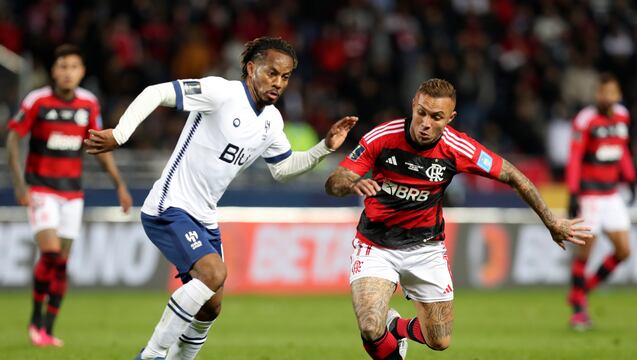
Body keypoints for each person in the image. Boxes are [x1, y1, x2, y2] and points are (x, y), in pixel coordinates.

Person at [84, 36, 357, 360]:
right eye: (272, 73)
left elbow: (282, 169)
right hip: (170, 206)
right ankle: (151, 356)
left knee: (211, 307)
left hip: (204, 215)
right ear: (252, 68)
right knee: (213, 274)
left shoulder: (271, 121)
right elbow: (155, 92)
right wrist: (119, 134)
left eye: (285, 77)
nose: (278, 83)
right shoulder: (221, 93)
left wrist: (323, 147)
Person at [325, 78, 593, 359]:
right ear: (414, 105)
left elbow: (514, 176)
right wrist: (351, 182)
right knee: (370, 325)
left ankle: (395, 326)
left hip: (426, 248)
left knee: (439, 340)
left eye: (436, 117)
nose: (426, 123)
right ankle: (384, 332)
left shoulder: (458, 148)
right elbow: (335, 182)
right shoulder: (382, 137)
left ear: (450, 118)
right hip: (376, 245)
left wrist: (551, 221)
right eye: (422, 113)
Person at [6, 44, 132, 347]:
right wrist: (20, 184)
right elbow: (12, 139)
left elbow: (98, 148)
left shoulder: (89, 104)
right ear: (53, 71)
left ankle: (48, 329)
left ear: (82, 72)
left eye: (73, 67)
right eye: (62, 66)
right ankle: (35, 322)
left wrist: (119, 183)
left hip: (72, 192)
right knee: (49, 254)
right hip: (41, 189)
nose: (67, 72)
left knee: (61, 263)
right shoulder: (37, 100)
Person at [565, 73, 635, 330]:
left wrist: (630, 178)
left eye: (612, 93)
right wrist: (573, 193)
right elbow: (574, 157)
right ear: (597, 94)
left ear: (618, 95)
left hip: (612, 194)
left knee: (624, 251)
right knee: (585, 254)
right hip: (590, 195)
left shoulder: (622, 116)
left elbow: (622, 149)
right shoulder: (585, 120)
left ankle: (581, 292)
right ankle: (578, 310)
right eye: (603, 92)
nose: (608, 97)